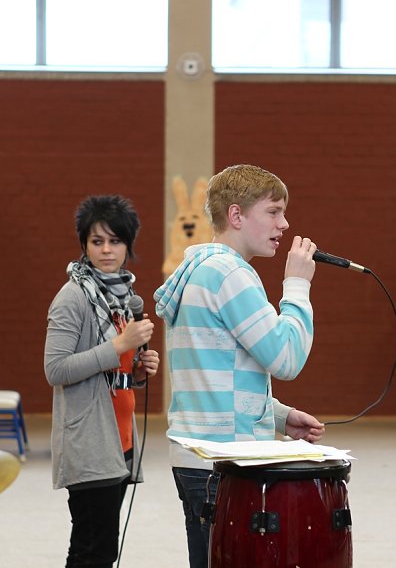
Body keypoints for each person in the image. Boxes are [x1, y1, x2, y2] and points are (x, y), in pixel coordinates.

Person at [153, 164, 326, 568]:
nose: (284, 224)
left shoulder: (199, 269)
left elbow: (218, 369)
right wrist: (298, 286)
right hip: (223, 460)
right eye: (273, 211)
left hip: (198, 455)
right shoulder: (231, 274)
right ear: (235, 216)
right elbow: (286, 358)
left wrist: (278, 416)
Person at [44, 195, 160, 568]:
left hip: (119, 437)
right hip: (89, 441)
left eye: (115, 241)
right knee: (95, 552)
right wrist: (119, 346)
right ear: (84, 245)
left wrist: (138, 371)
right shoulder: (72, 298)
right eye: (97, 241)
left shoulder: (122, 296)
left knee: (92, 549)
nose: (107, 250)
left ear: (129, 245)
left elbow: (112, 370)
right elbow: (56, 370)